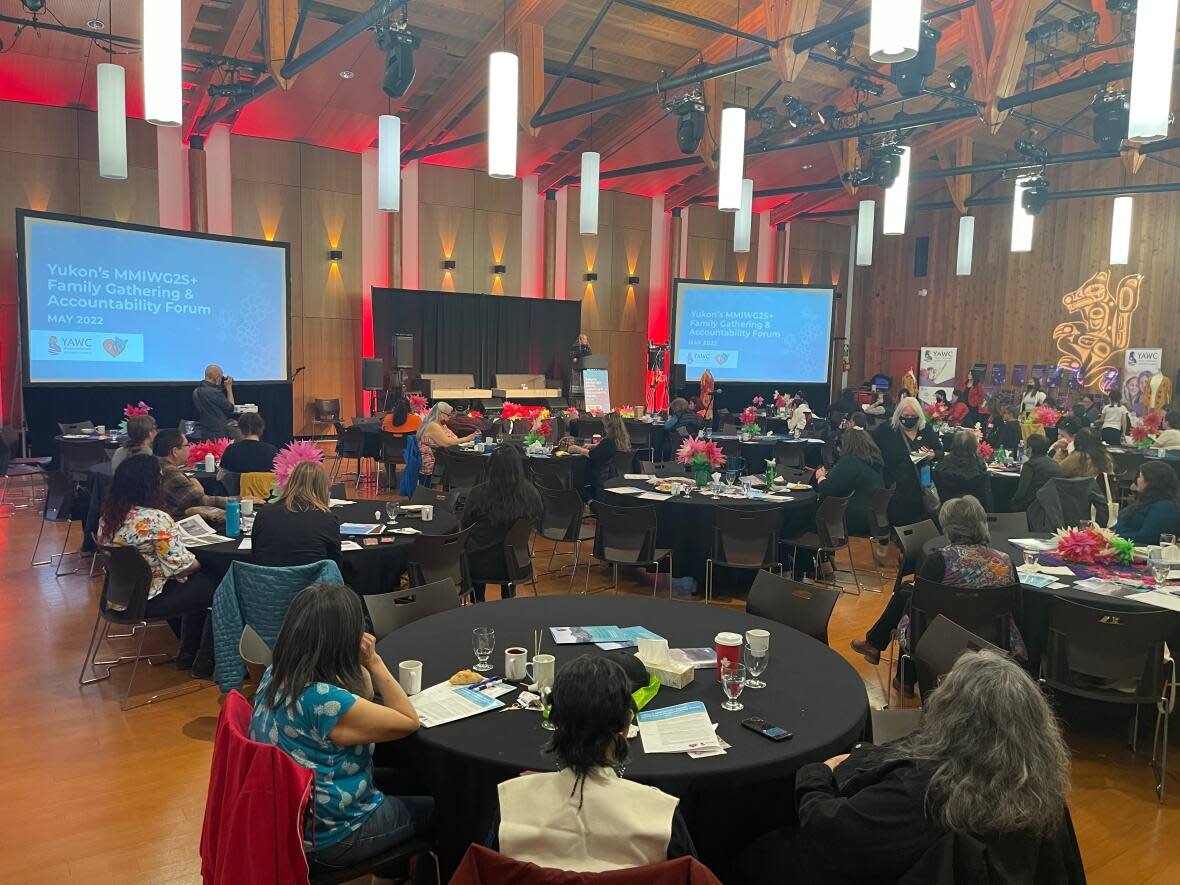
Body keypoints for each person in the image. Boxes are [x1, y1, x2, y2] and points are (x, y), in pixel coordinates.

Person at [734, 650, 1080, 885]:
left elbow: (828, 828)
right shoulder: (1040, 791)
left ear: (955, 718)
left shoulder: (922, 790)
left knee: (751, 844)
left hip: (848, 866)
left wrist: (817, 773)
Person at [250, 583, 431, 875]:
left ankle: (392, 873)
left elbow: (366, 696)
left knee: (414, 777)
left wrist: (351, 662)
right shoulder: (325, 701)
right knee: (447, 805)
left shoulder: (277, 673)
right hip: (332, 837)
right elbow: (407, 720)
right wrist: (373, 660)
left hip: (296, 817)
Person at [494, 656, 695, 871]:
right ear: (626, 726)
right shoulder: (661, 815)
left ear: (554, 722)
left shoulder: (511, 804)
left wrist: (528, 790)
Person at [852, 495, 1017, 671]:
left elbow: (918, 607)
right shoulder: (1005, 561)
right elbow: (1017, 606)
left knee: (908, 598)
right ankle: (883, 654)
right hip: (993, 640)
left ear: (947, 527)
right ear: (982, 522)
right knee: (907, 594)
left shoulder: (939, 560)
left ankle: (900, 671)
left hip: (942, 638)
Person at [98, 455, 216, 676]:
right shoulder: (155, 519)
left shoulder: (108, 517)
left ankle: (189, 650)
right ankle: (205, 660)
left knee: (196, 584)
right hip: (147, 599)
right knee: (216, 583)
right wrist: (208, 560)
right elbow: (183, 566)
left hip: (118, 598)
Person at [462, 446, 542, 602]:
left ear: (490, 467)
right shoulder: (531, 494)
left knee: (469, 548)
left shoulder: (478, 494)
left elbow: (466, 527)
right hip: (515, 562)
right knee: (507, 543)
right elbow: (536, 519)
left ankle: (478, 602)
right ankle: (509, 597)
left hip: (480, 564)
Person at [251, 461, 342, 567]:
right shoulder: (327, 519)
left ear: (291, 482)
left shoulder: (264, 513)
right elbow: (335, 564)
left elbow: (256, 555)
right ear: (323, 487)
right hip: (313, 581)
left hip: (267, 581)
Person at [872, 396, 942, 527]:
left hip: (920, 487)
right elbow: (873, 449)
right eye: (906, 415)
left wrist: (932, 455)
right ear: (899, 414)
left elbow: (940, 452)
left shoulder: (926, 430)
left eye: (913, 416)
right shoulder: (886, 430)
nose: (909, 418)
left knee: (920, 526)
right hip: (895, 489)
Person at [814, 427, 884, 536]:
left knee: (803, 516)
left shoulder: (850, 462)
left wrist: (820, 477)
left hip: (849, 519)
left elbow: (828, 489)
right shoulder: (874, 461)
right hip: (871, 518)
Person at [153, 429, 228, 521]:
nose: (189, 448)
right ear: (175, 451)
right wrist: (237, 500)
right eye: (187, 445)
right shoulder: (169, 471)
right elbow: (200, 500)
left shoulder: (157, 464)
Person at [564, 412, 630, 499]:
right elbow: (608, 449)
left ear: (609, 427)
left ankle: (588, 501)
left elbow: (592, 455)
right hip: (617, 476)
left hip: (602, 477)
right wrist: (596, 445)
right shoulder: (623, 440)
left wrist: (576, 449)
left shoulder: (608, 442)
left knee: (578, 475)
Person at [1114, 461, 1180, 544]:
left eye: (1140, 476)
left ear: (1151, 480)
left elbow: (1147, 538)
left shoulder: (1165, 507)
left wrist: (1114, 537)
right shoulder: (1146, 501)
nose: (1136, 480)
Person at [416, 402, 477, 485]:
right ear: (441, 414)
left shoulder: (441, 425)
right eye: (448, 415)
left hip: (441, 457)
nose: (450, 417)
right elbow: (446, 443)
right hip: (432, 460)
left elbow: (454, 438)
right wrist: (467, 438)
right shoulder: (433, 426)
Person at [933, 430, 989, 506]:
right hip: (974, 510)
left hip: (946, 510)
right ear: (974, 446)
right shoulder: (980, 465)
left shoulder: (942, 465)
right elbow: (984, 496)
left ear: (953, 445)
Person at [1010, 434, 1062, 512]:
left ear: (1030, 449)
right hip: (1052, 505)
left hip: (1032, 505)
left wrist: (1012, 501)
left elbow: (1021, 492)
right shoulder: (1055, 464)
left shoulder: (1030, 465)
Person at [193, 364, 237, 439]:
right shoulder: (215, 393)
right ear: (217, 378)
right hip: (219, 433)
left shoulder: (196, 391)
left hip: (204, 431)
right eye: (221, 377)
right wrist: (229, 388)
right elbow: (231, 408)